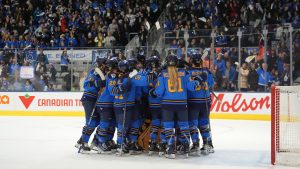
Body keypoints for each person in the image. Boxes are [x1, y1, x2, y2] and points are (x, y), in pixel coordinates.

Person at [149, 55, 200, 159]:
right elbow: (192, 87)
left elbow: (159, 92)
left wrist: (153, 92)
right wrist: (198, 80)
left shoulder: (162, 74)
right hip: (182, 104)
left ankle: (171, 149)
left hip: (167, 105)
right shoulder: (184, 72)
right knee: (184, 126)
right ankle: (185, 147)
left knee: (168, 127)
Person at [108, 59, 147, 155]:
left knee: (124, 126)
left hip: (120, 104)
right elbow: (144, 82)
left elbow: (112, 91)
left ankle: (123, 144)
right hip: (124, 104)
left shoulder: (116, 77)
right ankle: (120, 145)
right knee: (123, 126)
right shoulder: (130, 78)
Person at [75, 57, 106, 153]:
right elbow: (87, 85)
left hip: (93, 99)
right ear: (101, 65)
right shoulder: (95, 72)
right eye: (105, 64)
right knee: (90, 121)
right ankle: (84, 143)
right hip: (89, 98)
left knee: (95, 121)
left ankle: (80, 141)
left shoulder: (101, 73)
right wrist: (100, 83)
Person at [187, 53, 215, 156]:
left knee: (192, 124)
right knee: (204, 124)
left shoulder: (188, 72)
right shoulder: (206, 71)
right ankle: (207, 144)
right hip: (205, 101)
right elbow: (211, 84)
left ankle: (195, 144)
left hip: (193, 101)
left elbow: (187, 86)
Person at [95, 57, 119, 154]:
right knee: (104, 124)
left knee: (112, 124)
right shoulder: (112, 75)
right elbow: (112, 91)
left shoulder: (116, 74)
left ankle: (108, 140)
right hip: (104, 103)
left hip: (110, 104)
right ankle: (100, 142)